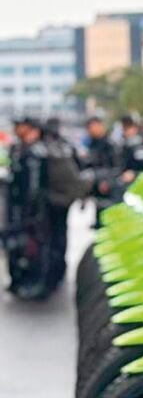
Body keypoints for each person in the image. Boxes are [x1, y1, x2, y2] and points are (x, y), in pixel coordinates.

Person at [6, 116, 86, 299]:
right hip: (44, 208)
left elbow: (33, 187)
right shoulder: (27, 148)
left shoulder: (40, 151)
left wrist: (32, 211)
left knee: (45, 246)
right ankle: (42, 280)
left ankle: (44, 283)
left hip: (43, 209)